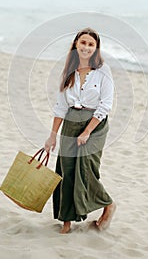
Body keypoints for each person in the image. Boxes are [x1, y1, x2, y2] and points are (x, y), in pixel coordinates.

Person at [44, 27, 116, 234]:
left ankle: (108, 204)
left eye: (90, 44)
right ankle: (66, 223)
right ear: (76, 44)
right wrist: (52, 136)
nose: (86, 47)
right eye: (83, 42)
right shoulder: (68, 70)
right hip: (70, 122)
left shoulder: (103, 71)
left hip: (95, 125)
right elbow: (60, 107)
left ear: (96, 48)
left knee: (86, 169)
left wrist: (86, 132)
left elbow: (105, 105)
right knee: (66, 170)